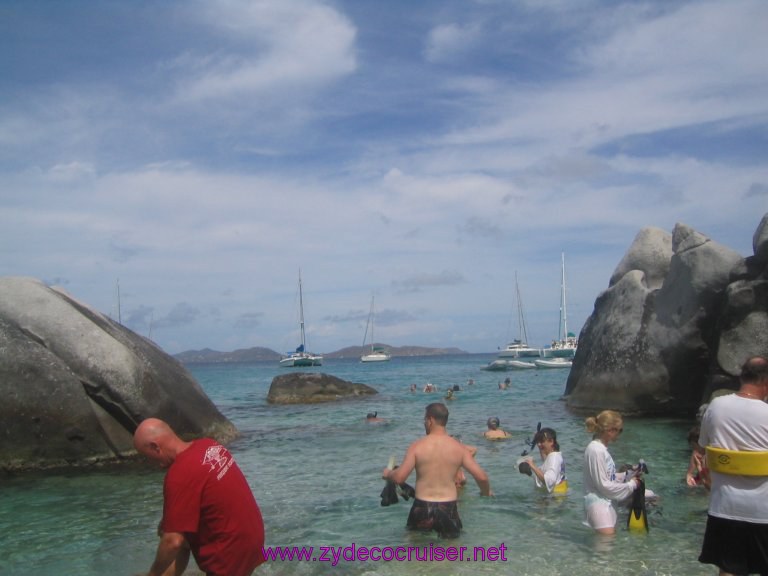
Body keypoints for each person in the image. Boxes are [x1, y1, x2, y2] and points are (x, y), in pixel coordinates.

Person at [133, 418, 265, 576]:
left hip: (230, 554)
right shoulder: (208, 445)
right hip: (253, 539)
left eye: (147, 457)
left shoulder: (178, 474)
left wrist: (152, 574)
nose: (151, 463)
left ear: (155, 447)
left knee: (172, 538)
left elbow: (173, 542)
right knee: (170, 529)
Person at [698, 356, 768, 576]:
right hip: (763, 512)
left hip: (724, 508)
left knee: (728, 569)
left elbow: (702, 449)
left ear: (741, 377)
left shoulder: (717, 406)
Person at [382, 403, 492, 538]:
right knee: (452, 553)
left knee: (415, 553)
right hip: (448, 508)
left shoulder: (417, 447)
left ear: (430, 420)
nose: (424, 423)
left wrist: (388, 473)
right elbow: (482, 477)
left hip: (422, 507)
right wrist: (485, 493)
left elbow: (399, 478)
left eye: (424, 420)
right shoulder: (459, 448)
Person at [582, 410, 641, 535]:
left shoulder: (601, 449)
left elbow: (607, 476)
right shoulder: (596, 450)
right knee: (604, 550)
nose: (619, 434)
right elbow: (603, 484)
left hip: (604, 504)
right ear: (610, 430)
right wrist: (631, 485)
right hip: (599, 506)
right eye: (619, 430)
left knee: (607, 550)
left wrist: (628, 475)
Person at [522, 427, 567, 494]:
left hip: (553, 500)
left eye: (542, 441)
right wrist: (538, 441)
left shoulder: (554, 459)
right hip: (557, 496)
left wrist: (532, 465)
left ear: (551, 441)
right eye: (538, 442)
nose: (539, 444)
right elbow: (546, 460)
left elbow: (549, 480)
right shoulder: (555, 455)